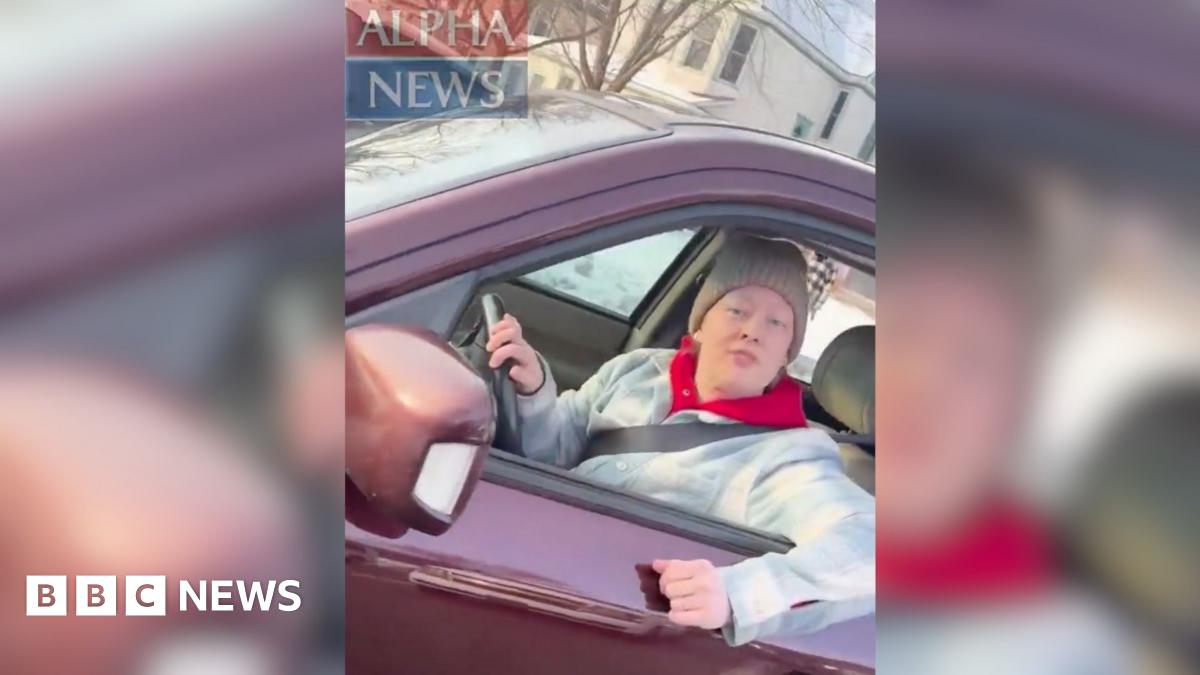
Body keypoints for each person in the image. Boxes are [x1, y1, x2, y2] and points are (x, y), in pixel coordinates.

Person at [485, 234, 875, 645]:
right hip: (524, 561)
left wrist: (738, 594)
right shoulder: (638, 370)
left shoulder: (789, 455)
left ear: (786, 354)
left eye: (776, 323)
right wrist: (532, 391)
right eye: (737, 310)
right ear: (702, 324)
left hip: (604, 616)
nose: (752, 331)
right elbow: (555, 449)